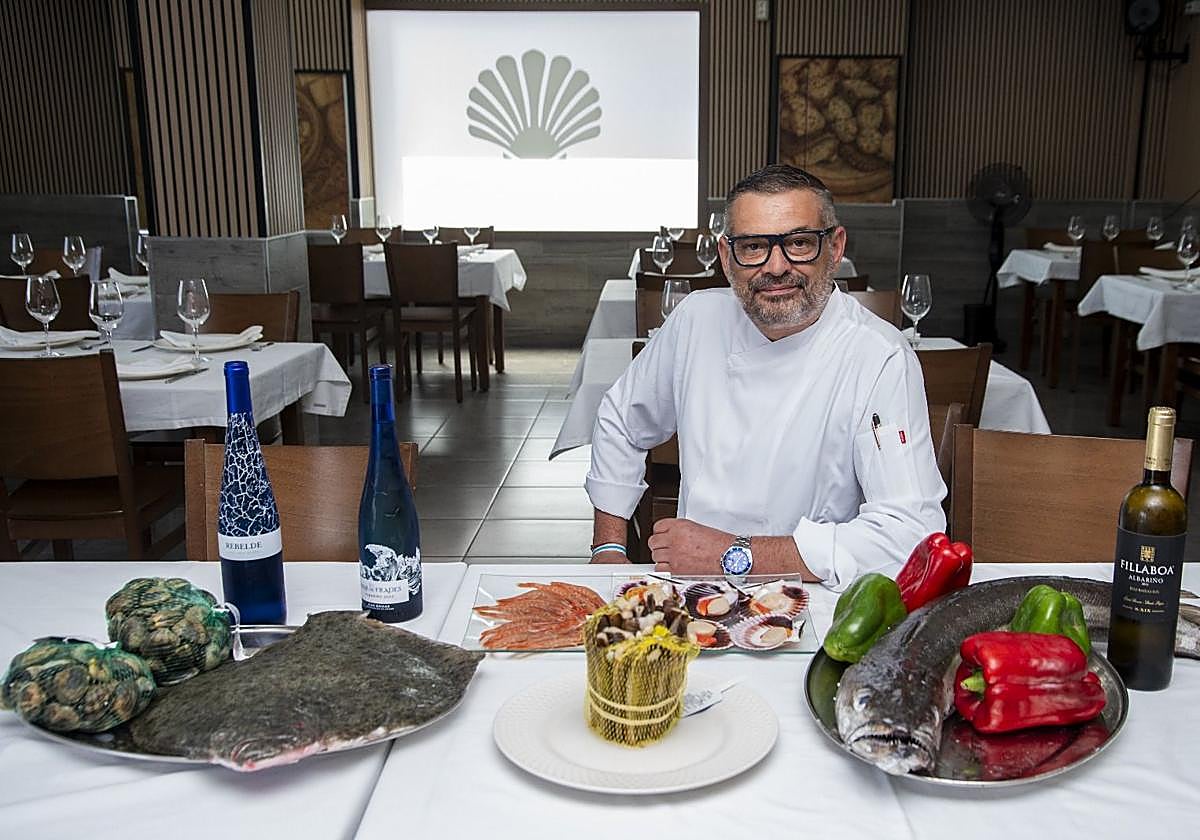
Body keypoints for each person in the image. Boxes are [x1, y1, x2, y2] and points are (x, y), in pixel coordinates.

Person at [585, 164, 946, 588]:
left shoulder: (879, 356)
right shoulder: (696, 319)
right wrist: (608, 548)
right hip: (693, 591)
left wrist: (732, 555)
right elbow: (620, 421)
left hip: (815, 595)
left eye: (799, 243)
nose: (776, 267)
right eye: (754, 246)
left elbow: (910, 533)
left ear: (834, 248)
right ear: (726, 257)